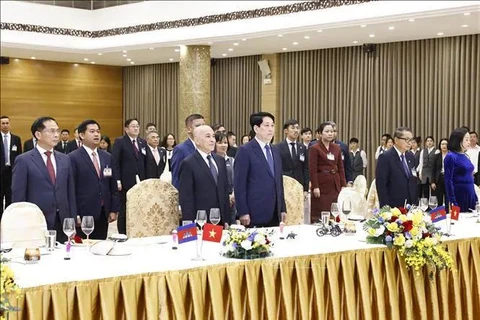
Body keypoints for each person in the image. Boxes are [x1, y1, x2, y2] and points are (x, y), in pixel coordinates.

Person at [12, 116, 76, 243]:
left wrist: (72, 221)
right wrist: (21, 223)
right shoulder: (24, 160)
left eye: (57, 131)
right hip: (35, 221)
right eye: (51, 131)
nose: (56, 135)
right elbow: (18, 196)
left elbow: (70, 192)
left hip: (62, 220)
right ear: (38, 134)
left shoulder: (65, 159)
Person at [68, 120, 119, 240]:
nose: (96, 134)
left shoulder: (107, 157)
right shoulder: (73, 158)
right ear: (81, 135)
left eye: (98, 131)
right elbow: (71, 188)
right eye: (92, 131)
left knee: (100, 247)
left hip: (103, 212)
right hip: (84, 213)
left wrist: (114, 209)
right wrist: (75, 214)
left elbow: (113, 185)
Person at [234, 112, 286, 227]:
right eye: (266, 126)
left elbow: (278, 182)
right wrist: (243, 212)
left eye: (272, 125)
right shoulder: (245, 150)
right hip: (254, 212)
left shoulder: (275, 150)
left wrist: (282, 208)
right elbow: (239, 184)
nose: (271, 129)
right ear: (256, 128)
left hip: (274, 212)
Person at [178, 125, 230, 225]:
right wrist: (190, 223)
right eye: (207, 136)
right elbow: (186, 198)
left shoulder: (220, 160)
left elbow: (224, 191)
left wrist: (227, 220)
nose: (212, 140)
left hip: (220, 220)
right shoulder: (188, 163)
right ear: (197, 140)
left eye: (213, 136)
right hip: (201, 221)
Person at [112, 118, 147, 234]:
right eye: (133, 126)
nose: (136, 128)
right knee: (125, 208)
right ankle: (122, 232)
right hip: (125, 180)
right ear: (126, 129)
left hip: (140, 180)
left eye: (137, 126)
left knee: (139, 207)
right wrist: (117, 180)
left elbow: (145, 161)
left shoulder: (142, 142)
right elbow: (115, 162)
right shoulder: (120, 141)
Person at [309, 122, 346, 222]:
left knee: (334, 210)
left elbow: (341, 167)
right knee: (322, 209)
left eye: (332, 131)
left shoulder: (336, 148)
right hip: (322, 184)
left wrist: (343, 184)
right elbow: (312, 169)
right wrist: (315, 186)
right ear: (320, 134)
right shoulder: (314, 148)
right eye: (327, 131)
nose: (330, 134)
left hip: (335, 183)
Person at [375, 127, 418, 208]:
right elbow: (381, 185)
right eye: (406, 139)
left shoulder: (410, 156)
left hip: (410, 205)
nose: (410, 143)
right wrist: (385, 208)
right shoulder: (385, 157)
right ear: (396, 140)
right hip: (394, 207)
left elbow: (413, 179)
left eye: (411, 140)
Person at [444, 128, 478, 212]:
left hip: (470, 194)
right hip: (458, 195)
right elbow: (448, 181)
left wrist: (475, 197)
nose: (469, 142)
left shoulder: (466, 156)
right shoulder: (451, 156)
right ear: (458, 140)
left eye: (469, 139)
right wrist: (453, 202)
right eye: (466, 140)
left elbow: (470, 178)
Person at [171, 114, 205, 189]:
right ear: (189, 129)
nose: (202, 129)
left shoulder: (207, 148)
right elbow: (176, 178)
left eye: (204, 125)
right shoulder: (180, 149)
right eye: (198, 126)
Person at [276, 119, 309, 193]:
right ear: (286, 131)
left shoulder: (302, 147)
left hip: (299, 185)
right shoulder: (278, 147)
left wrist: (306, 188)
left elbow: (306, 169)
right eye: (293, 128)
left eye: (297, 128)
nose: (296, 130)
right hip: (285, 184)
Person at [0, 116, 22, 217]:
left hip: (11, 171)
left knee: (10, 196)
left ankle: (8, 218)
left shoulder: (16, 139)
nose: (5, 125)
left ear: (10, 124)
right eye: (3, 123)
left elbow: (19, 155)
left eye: (7, 123)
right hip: (0, 171)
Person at [215, 132, 236, 223]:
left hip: (233, 199)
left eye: (225, 143)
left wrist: (233, 194)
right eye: (220, 143)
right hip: (218, 199)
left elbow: (237, 180)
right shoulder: (212, 162)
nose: (223, 145)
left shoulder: (232, 161)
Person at [431, 138, 449, 207]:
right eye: (442, 144)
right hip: (439, 178)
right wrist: (432, 182)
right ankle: (440, 216)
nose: (444, 146)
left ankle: (447, 214)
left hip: (448, 178)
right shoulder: (436, 156)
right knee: (439, 198)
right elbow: (433, 169)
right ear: (440, 145)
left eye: (446, 144)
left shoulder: (451, 156)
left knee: (448, 198)